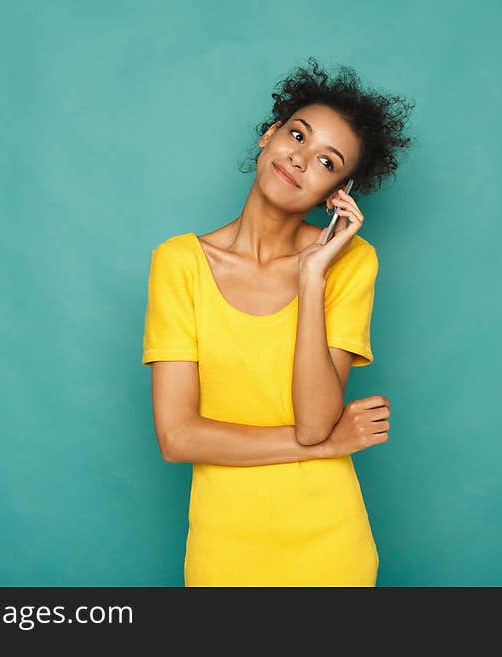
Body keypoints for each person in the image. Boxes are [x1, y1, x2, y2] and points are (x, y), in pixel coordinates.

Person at [141, 57, 415, 586]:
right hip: (224, 549)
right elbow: (178, 436)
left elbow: (316, 420)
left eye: (326, 161)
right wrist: (329, 445)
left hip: (330, 546)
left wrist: (313, 277)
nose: (299, 158)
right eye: (297, 134)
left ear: (340, 192)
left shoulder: (350, 262)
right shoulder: (179, 263)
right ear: (269, 134)